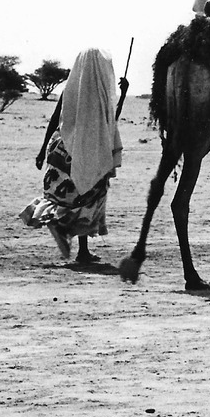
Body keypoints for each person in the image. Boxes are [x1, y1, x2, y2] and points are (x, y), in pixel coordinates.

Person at [20, 48, 129, 264]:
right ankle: (72, 240)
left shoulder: (71, 90)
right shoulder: (100, 94)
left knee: (70, 198)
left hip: (62, 149)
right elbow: (111, 121)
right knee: (87, 197)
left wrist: (43, 150)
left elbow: (55, 119)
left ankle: (79, 247)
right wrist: (123, 94)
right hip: (89, 150)